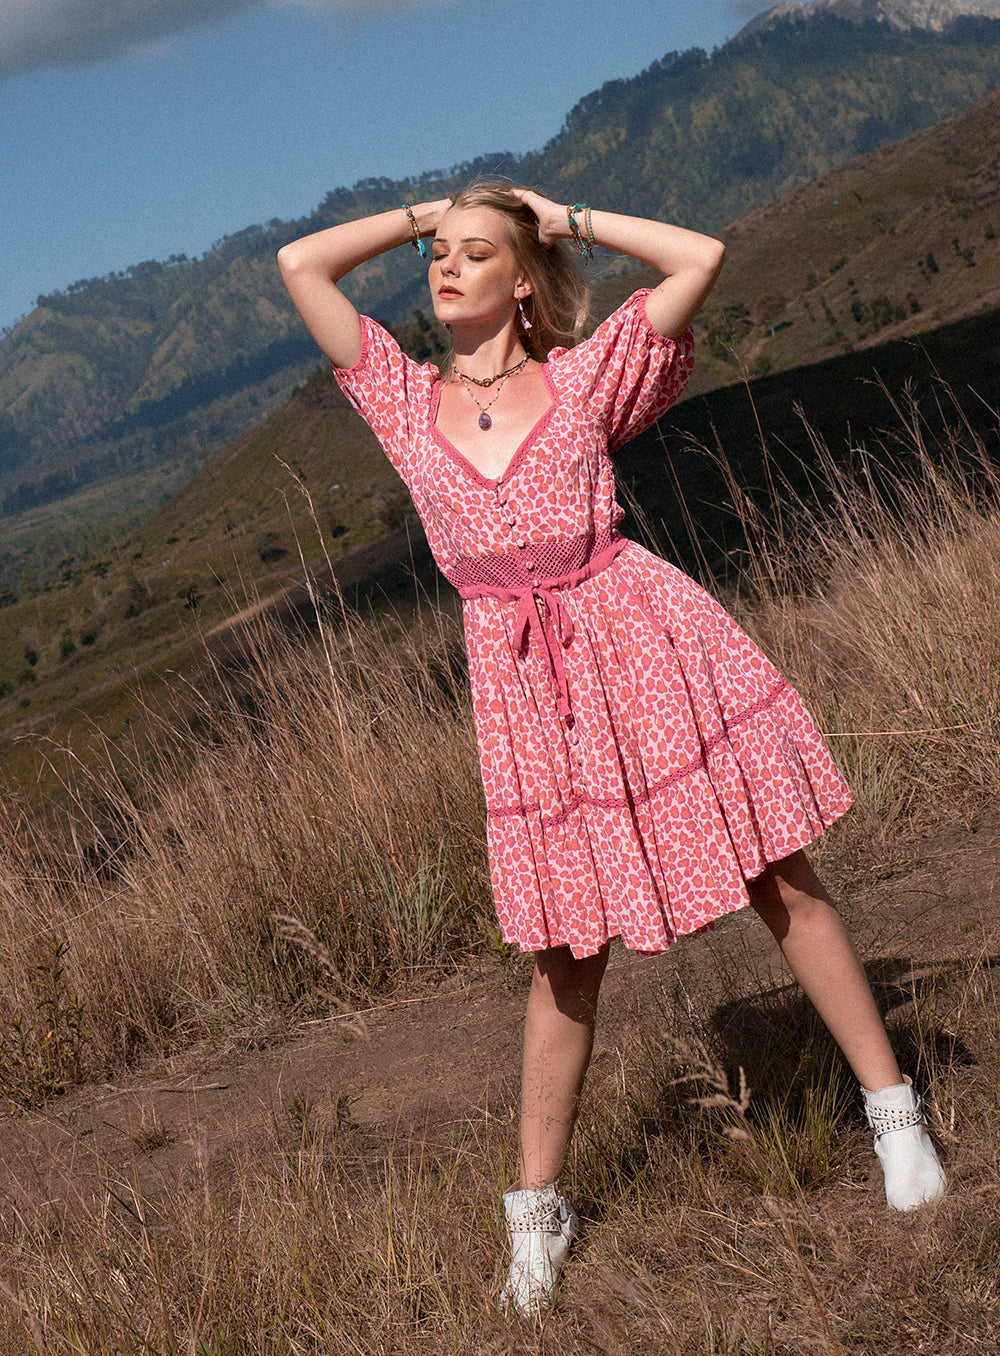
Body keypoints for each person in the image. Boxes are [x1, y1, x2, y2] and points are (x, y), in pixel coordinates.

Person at [278, 183, 945, 1317]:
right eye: (436, 256)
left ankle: (893, 1117)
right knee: (565, 946)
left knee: (776, 872)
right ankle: (536, 1218)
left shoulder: (585, 378)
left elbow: (699, 258)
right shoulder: (398, 398)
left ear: (522, 282)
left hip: (644, 642)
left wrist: (565, 216)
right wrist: (425, 210)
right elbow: (301, 264)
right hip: (529, 696)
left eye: (472, 253)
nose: (443, 267)